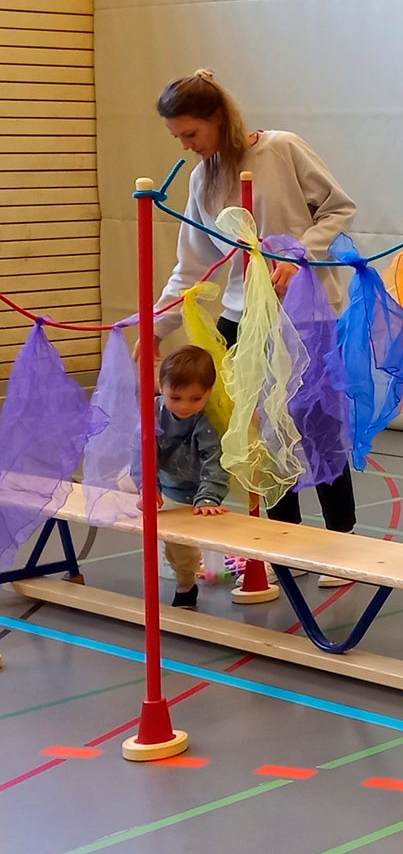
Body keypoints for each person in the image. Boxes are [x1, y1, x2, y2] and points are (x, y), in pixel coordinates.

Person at [153, 70, 358, 585]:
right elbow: (192, 266)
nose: (186, 145)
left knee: (317, 427)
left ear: (218, 118)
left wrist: (300, 254)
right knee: (262, 433)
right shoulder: (202, 180)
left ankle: (342, 542)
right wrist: (157, 325)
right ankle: (283, 543)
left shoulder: (282, 149)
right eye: (177, 137)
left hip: (305, 313)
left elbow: (338, 208)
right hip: (242, 318)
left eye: (190, 133)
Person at [155, 346, 230, 610]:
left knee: (188, 544)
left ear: (208, 393)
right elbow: (141, 452)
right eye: (175, 397)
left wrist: (208, 496)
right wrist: (148, 487)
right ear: (161, 387)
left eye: (196, 398)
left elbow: (216, 460)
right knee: (176, 547)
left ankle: (191, 582)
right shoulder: (154, 411)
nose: (185, 406)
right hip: (169, 487)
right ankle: (185, 580)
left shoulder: (207, 419)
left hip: (200, 491)